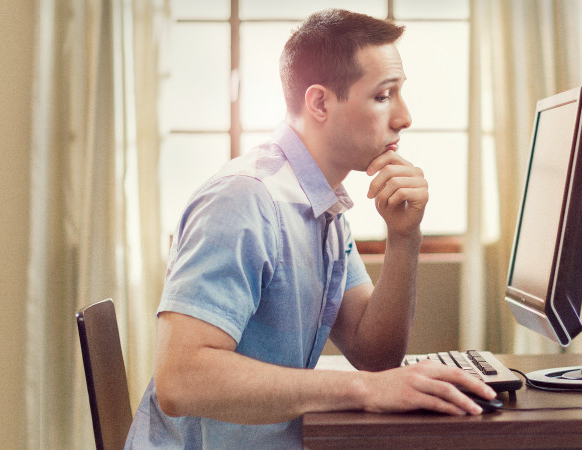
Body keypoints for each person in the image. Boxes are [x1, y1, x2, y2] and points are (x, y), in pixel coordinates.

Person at [124, 8, 496, 448]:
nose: (404, 117)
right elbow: (181, 380)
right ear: (319, 102)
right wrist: (362, 391)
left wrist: (404, 237)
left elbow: (374, 355)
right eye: (383, 96)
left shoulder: (323, 204)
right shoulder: (244, 200)